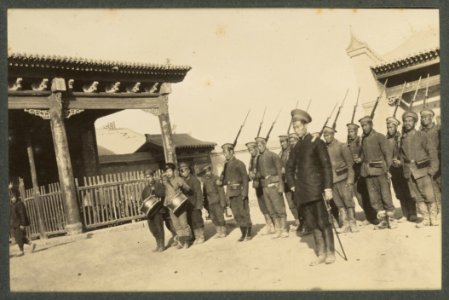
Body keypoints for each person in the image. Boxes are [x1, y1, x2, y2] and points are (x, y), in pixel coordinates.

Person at [286, 109, 335, 266]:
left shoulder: (317, 142)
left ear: (305, 126)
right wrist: (293, 185)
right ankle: (320, 253)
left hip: (317, 190)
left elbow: (326, 166)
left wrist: (328, 187)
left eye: (299, 126)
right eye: (295, 128)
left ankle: (330, 252)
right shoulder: (296, 147)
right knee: (312, 224)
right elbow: (288, 168)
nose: (297, 130)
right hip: (303, 192)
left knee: (323, 222)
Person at [398, 111, 439, 227]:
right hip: (410, 172)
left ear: (415, 122)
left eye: (410, 121)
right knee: (417, 196)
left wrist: (432, 169)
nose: (407, 123)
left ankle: (433, 218)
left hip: (423, 170)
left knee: (429, 195)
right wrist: (400, 163)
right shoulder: (403, 138)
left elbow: (432, 152)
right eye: (405, 121)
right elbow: (402, 156)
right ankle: (425, 219)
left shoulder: (422, 135)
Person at [356, 115, 396, 230]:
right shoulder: (363, 139)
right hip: (368, 173)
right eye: (362, 126)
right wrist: (360, 159)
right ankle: (383, 221)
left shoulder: (380, 137)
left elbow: (388, 154)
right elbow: (364, 155)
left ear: (371, 125)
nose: (364, 128)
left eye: (366, 125)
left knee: (386, 196)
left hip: (380, 172)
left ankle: (391, 220)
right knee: (374, 198)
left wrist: (387, 170)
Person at [322, 126, 358, 233]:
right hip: (332, 181)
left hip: (344, 179)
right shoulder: (324, 149)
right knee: (339, 204)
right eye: (325, 135)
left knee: (348, 201)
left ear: (333, 135)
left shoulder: (342, 146)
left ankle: (353, 223)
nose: (326, 137)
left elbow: (350, 165)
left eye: (328, 135)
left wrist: (350, 180)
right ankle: (345, 224)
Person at [255, 136, 289, 238]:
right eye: (257, 146)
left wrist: (281, 186)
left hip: (274, 185)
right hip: (265, 187)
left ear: (265, 145)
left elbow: (279, 172)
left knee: (279, 208)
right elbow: (259, 172)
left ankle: (284, 229)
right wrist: (256, 175)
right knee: (271, 209)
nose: (259, 148)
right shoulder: (258, 158)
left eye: (260, 145)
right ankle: (278, 230)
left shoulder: (273, 156)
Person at [346, 122, 379, 225]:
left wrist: (360, 160)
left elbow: (365, 154)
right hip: (354, 174)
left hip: (363, 172)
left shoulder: (360, 141)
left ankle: (374, 217)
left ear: (356, 132)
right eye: (349, 131)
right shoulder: (348, 144)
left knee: (368, 196)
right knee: (359, 197)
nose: (350, 133)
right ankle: (369, 217)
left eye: (352, 131)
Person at [386, 117, 417, 222]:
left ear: (396, 127)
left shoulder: (400, 137)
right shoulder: (386, 140)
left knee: (408, 191)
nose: (389, 129)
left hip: (403, 168)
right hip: (393, 170)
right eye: (388, 127)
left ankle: (413, 213)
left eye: (392, 127)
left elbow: (405, 153)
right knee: (399, 192)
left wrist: (400, 161)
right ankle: (405, 214)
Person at [220, 143, 252, 241]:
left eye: (226, 152)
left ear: (231, 151)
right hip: (231, 193)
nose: (225, 155)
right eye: (224, 153)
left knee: (244, 213)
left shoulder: (239, 163)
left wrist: (245, 193)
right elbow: (226, 180)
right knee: (236, 214)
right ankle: (243, 233)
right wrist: (221, 182)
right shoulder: (226, 165)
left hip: (240, 192)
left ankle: (249, 233)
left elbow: (245, 179)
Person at [141, 169, 178, 252]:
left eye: (149, 177)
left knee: (159, 228)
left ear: (152, 177)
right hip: (150, 212)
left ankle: (161, 245)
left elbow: (162, 194)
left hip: (158, 210)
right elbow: (143, 200)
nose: (148, 179)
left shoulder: (158, 185)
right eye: (146, 177)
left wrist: (155, 192)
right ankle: (158, 245)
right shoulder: (145, 189)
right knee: (152, 229)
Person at [246, 141, 275, 235]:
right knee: (262, 207)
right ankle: (269, 224)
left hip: (263, 184)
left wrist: (255, 174)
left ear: (256, 148)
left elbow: (264, 171)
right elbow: (250, 170)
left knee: (269, 205)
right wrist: (250, 174)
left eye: (252, 149)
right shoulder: (252, 159)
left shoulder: (260, 157)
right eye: (249, 150)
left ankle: (275, 225)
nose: (251, 152)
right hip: (257, 185)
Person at [162, 163, 193, 249]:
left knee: (184, 223)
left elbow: (188, 188)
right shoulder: (165, 182)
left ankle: (187, 241)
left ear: (173, 171)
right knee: (176, 225)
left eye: (169, 171)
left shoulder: (178, 179)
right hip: (171, 206)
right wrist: (166, 203)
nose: (168, 173)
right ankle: (181, 242)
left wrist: (183, 186)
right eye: (166, 171)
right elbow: (166, 194)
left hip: (180, 204)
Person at [420, 108, 441, 216]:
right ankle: (439, 209)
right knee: (433, 187)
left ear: (431, 117)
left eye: (426, 117)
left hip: (441, 161)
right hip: (427, 164)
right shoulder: (421, 132)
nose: (424, 119)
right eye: (422, 117)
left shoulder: (438, 129)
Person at [179, 162, 206, 245]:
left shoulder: (194, 180)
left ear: (188, 170)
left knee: (197, 221)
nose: (183, 172)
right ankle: (195, 237)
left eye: (184, 170)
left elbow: (199, 192)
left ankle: (201, 236)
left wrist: (199, 205)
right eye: (181, 171)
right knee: (191, 222)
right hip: (187, 205)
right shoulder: (182, 181)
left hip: (195, 204)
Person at [199, 164, 227, 238]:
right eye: (205, 172)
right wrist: (205, 204)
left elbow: (221, 191)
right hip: (210, 202)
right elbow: (204, 193)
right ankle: (218, 232)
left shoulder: (216, 178)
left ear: (211, 170)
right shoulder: (205, 181)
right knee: (213, 218)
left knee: (220, 217)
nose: (207, 173)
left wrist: (223, 202)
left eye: (208, 171)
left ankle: (223, 231)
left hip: (217, 201)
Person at [278, 135, 300, 231]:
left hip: (294, 180)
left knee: (298, 202)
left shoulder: (292, 152)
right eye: (281, 142)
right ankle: (297, 221)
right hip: (285, 182)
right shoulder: (280, 154)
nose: (282, 143)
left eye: (284, 141)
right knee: (291, 203)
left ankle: (304, 221)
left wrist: (285, 170)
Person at [10, 189, 36, 256]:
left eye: (13, 197)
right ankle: (31, 244)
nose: (12, 199)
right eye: (11, 198)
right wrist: (10, 189)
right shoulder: (13, 204)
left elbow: (22, 215)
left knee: (19, 237)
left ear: (17, 197)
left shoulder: (19, 204)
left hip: (19, 223)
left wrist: (22, 224)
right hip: (15, 224)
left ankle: (21, 251)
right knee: (19, 237)